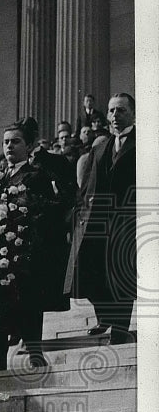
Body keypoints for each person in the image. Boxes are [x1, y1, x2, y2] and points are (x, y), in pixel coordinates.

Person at [0, 120, 59, 370]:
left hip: (24, 256)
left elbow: (47, 214)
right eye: (6, 142)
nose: (9, 146)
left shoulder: (37, 176)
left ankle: (35, 357)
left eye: (16, 141)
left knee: (28, 307)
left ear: (29, 146)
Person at [66, 93, 137, 344]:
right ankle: (105, 316)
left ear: (133, 114)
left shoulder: (144, 143)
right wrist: (78, 217)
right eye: (111, 110)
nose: (115, 115)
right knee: (88, 272)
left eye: (121, 110)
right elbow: (85, 188)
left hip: (127, 222)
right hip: (97, 222)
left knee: (122, 274)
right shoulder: (99, 147)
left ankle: (119, 330)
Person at [25, 116, 78, 312]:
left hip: (47, 233)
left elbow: (69, 195)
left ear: (34, 136)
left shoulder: (55, 161)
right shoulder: (10, 165)